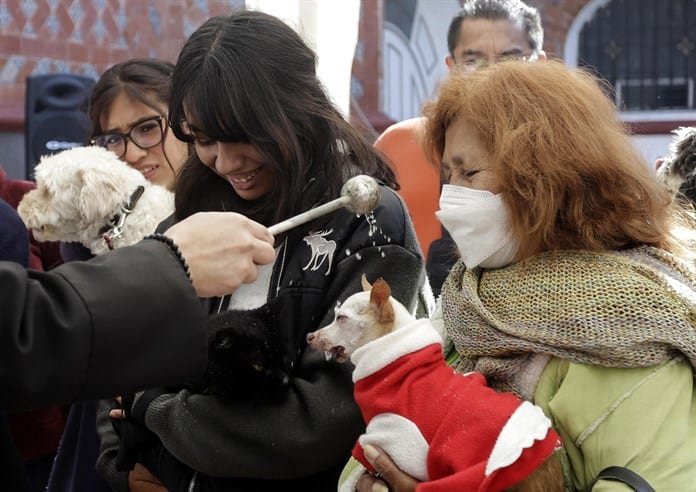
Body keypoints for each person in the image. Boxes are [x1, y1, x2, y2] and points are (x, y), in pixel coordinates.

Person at [102, 9, 428, 492]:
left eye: (245, 137)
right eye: (206, 140)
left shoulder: (368, 221)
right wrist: (121, 468)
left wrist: (159, 414)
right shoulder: (188, 218)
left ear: (298, 108)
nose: (227, 162)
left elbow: (326, 420)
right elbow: (120, 362)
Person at [355, 60, 696, 491]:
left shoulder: (635, 319)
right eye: (448, 176)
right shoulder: (464, 299)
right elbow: (382, 433)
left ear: (543, 176)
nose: (449, 198)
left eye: (469, 173)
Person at [375, 0, 546, 298]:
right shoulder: (402, 147)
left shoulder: (573, 157)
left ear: (541, 64)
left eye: (510, 59)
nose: (493, 73)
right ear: (451, 67)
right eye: (473, 60)